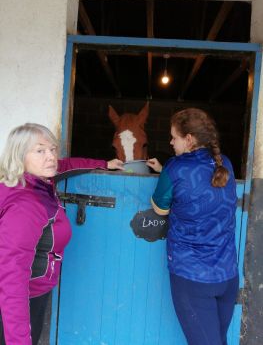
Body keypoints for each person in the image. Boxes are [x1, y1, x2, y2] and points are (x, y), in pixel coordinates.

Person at [0, 123, 123, 345]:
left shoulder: (37, 183)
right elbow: (12, 277)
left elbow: (67, 165)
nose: (51, 157)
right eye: (40, 150)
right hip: (19, 302)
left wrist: (104, 164)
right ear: (19, 156)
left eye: (52, 149)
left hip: (33, 293)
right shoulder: (26, 205)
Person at [146, 108, 238, 345]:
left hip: (193, 277)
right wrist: (164, 171)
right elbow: (199, 183)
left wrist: (165, 173)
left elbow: (160, 209)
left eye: (173, 137)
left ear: (188, 139)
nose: (170, 141)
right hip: (227, 276)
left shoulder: (175, 167)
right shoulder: (224, 163)